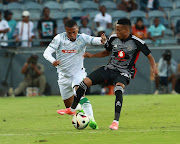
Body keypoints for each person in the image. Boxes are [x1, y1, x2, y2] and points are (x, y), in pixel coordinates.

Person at [60, 18, 158, 130]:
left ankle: (115, 122)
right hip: (110, 68)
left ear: (127, 30)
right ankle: (72, 109)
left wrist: (154, 68)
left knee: (118, 90)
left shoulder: (138, 42)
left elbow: (149, 56)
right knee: (84, 83)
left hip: (124, 71)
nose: (117, 32)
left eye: (119, 30)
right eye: (116, 29)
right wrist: (92, 55)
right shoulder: (113, 38)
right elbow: (106, 52)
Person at [43, 20, 107, 129]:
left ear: (77, 29)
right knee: (69, 106)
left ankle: (92, 120)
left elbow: (96, 40)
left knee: (79, 93)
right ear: (65, 31)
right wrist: (53, 61)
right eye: (69, 32)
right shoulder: (59, 38)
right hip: (63, 76)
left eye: (74, 32)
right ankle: (81, 113)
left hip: (78, 73)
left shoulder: (83, 38)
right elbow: (46, 53)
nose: (72, 35)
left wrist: (103, 40)